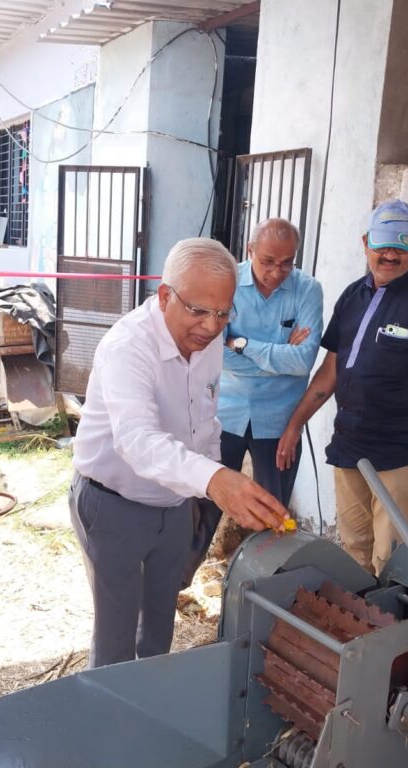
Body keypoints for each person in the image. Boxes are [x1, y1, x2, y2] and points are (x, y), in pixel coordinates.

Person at [70, 237, 290, 669]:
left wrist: (211, 491)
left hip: (173, 505)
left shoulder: (208, 345)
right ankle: (108, 725)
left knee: (157, 632)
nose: (211, 327)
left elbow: (205, 421)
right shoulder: (128, 347)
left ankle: (152, 708)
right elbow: (138, 440)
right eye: (198, 311)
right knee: (114, 641)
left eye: (223, 313)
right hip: (113, 504)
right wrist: (214, 480)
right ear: (165, 296)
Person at [277, 199, 408, 576]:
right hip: (350, 444)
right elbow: (332, 367)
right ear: (365, 242)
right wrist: (295, 423)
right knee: (353, 549)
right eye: (382, 245)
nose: (390, 254)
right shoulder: (353, 296)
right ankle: (358, 629)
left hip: (401, 450)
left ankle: (390, 629)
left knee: (392, 554)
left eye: (401, 246)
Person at [181, 219, 323, 589]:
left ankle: (259, 589)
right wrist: (278, 353)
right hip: (223, 413)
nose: (277, 272)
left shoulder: (308, 290)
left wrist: (241, 343)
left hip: (279, 422)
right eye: (268, 261)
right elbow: (217, 353)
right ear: (249, 252)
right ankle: (178, 580)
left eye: (287, 263)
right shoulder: (227, 284)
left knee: (273, 507)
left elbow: (304, 362)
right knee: (205, 501)